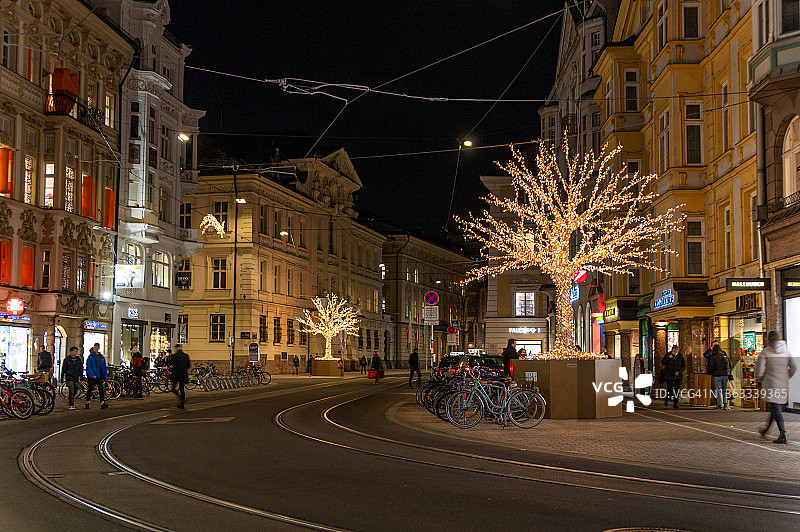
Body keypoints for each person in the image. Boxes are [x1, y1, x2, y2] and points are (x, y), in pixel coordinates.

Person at [757, 331, 797, 444]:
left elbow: (760, 370)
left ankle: (783, 434)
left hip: (770, 384)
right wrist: (786, 376)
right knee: (775, 407)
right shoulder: (786, 351)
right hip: (783, 384)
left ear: (768, 339)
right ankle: (765, 430)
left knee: (775, 408)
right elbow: (793, 367)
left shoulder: (765, 352)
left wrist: (760, 379)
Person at [707, 344, 732, 410]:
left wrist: (711, 372)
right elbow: (730, 364)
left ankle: (719, 404)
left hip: (717, 374)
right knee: (724, 390)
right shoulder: (724, 355)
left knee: (718, 390)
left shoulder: (713, 356)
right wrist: (729, 374)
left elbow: (711, 366)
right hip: (725, 374)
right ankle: (725, 404)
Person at [85, 343, 108, 410]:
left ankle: (102, 403)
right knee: (90, 390)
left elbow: (103, 367)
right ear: (94, 347)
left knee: (101, 390)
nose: (97, 348)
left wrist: (105, 375)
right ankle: (87, 402)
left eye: (98, 347)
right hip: (93, 377)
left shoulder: (101, 357)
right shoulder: (91, 357)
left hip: (99, 376)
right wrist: (92, 375)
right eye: (96, 347)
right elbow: (88, 367)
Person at [169, 344, 190, 408]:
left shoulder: (175, 356)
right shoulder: (186, 355)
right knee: (182, 389)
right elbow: (188, 365)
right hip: (183, 374)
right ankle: (182, 403)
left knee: (173, 388)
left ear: (177, 348)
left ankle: (181, 398)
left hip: (176, 374)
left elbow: (170, 362)